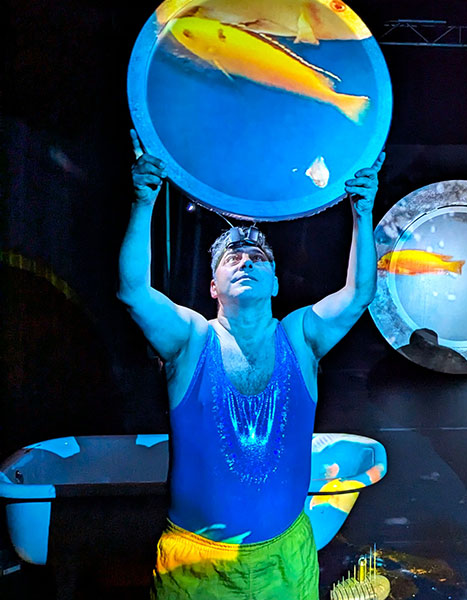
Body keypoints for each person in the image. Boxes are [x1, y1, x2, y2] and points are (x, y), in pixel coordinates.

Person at [120, 130, 384, 599]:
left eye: (258, 257)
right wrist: (143, 202)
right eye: (232, 257)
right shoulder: (191, 339)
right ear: (213, 287)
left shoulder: (300, 336)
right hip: (197, 566)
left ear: (276, 283)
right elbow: (134, 292)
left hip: (285, 560)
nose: (245, 261)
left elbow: (358, 293)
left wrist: (362, 213)